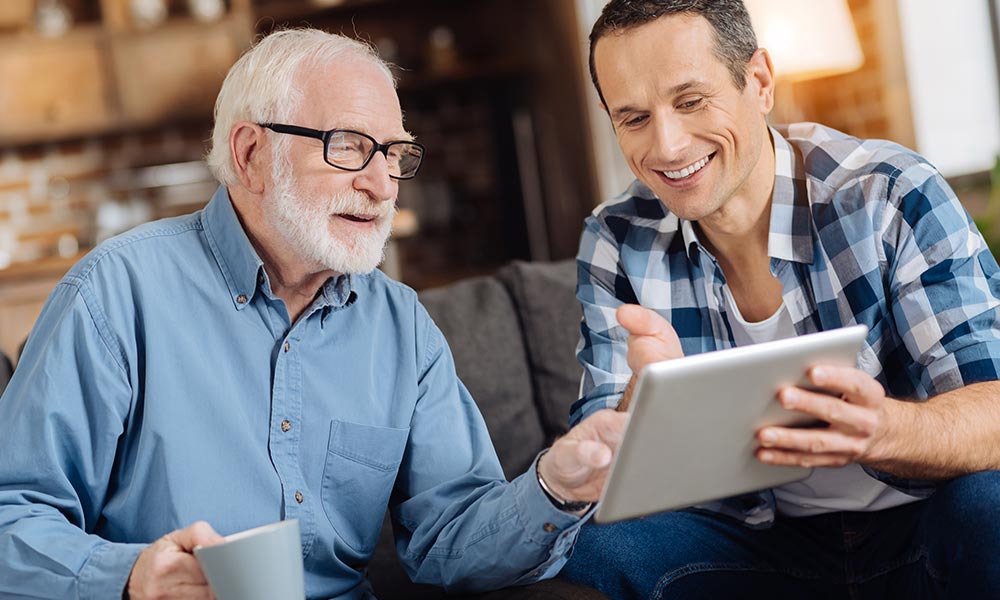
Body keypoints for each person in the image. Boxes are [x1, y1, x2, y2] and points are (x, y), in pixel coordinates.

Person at [0, 29, 625, 600]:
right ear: (250, 156)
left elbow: (453, 541)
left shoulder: (400, 327)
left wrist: (557, 484)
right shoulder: (116, 294)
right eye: (350, 147)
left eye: (395, 154)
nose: (383, 185)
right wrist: (133, 577)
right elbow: (12, 518)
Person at [559, 0, 1000, 597]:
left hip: (923, 525)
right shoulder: (616, 238)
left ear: (759, 82)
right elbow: (594, 470)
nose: (665, 146)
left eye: (691, 102)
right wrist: (643, 409)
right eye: (633, 118)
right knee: (595, 552)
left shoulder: (888, 193)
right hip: (761, 550)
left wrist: (883, 430)